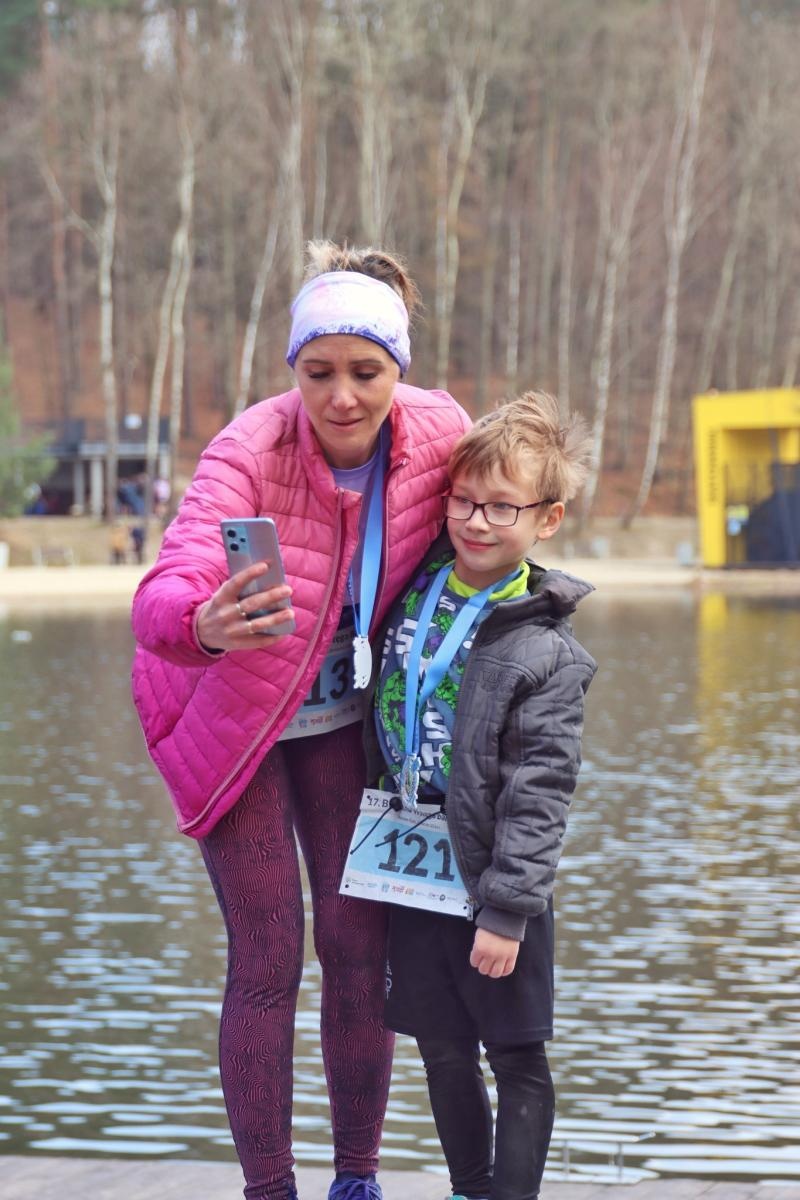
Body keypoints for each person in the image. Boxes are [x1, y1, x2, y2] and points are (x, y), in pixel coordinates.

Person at [130, 240, 471, 1200]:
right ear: (293, 372)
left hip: (340, 721)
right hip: (226, 719)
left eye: (367, 372)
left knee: (360, 949)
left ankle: (356, 1180)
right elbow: (169, 584)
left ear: (400, 369)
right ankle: (268, 1190)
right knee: (270, 952)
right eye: (318, 373)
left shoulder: (439, 433)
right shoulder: (249, 448)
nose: (343, 397)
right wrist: (200, 621)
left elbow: (508, 496)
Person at [362, 392, 597, 1200]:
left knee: (517, 1055)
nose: (476, 520)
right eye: (463, 500)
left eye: (503, 506)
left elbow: (542, 794)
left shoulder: (544, 648)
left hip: (495, 882)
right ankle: (470, 1188)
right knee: (440, 1044)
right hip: (411, 866)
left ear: (548, 518)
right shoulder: (416, 584)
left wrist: (506, 910)